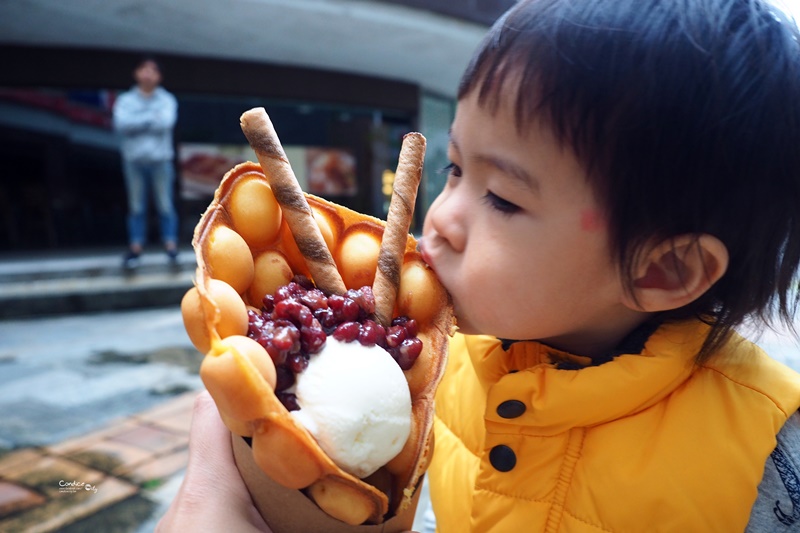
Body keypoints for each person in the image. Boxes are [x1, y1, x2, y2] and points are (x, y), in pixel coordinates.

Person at [158, 0, 800, 531]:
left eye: (503, 198)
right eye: (456, 169)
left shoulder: (769, 453)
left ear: (664, 271)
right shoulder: (439, 371)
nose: (440, 218)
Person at [113, 57, 179, 268]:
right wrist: (151, 118)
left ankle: (171, 247)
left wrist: (137, 121)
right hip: (134, 161)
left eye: (153, 70)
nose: (148, 73)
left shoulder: (167, 100)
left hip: (161, 161)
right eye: (144, 69)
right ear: (136, 73)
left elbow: (166, 123)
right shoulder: (125, 100)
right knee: (136, 207)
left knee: (165, 205)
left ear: (159, 76)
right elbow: (121, 125)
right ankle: (135, 249)